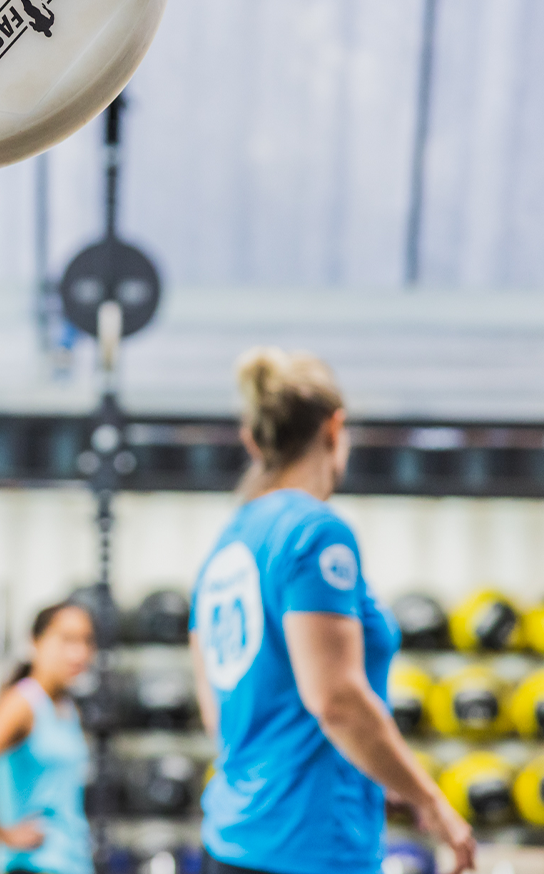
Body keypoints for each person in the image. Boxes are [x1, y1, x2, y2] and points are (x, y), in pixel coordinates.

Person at [190, 349, 475, 874]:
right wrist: (431, 802)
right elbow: (336, 701)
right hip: (309, 848)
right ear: (334, 428)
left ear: (255, 441)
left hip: (232, 838)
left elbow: (220, 715)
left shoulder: (227, 545)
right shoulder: (315, 532)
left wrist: (372, 777)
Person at [0, 603, 96, 874]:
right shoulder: (22, 703)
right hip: (32, 864)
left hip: (71, 863)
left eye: (87, 641)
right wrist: (0, 831)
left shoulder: (67, 708)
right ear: (36, 642)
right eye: (67, 639)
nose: (80, 652)